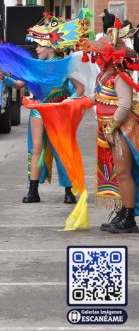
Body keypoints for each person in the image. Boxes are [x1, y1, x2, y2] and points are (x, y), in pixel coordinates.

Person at [0, 12, 90, 204]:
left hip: (59, 113)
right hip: (39, 110)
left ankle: (69, 191)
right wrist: (4, 78)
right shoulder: (34, 68)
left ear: (51, 48)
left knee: (61, 149)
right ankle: (33, 189)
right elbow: (19, 84)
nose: (36, 49)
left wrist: (68, 102)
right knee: (36, 148)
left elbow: (80, 88)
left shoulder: (64, 66)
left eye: (40, 45)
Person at [77, 20, 139, 233]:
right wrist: (78, 102)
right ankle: (123, 210)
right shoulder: (103, 75)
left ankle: (130, 218)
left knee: (123, 172)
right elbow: (99, 97)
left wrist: (112, 128)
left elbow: (125, 105)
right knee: (116, 173)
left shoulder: (121, 76)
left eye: (100, 55)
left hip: (121, 130)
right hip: (107, 130)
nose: (97, 59)